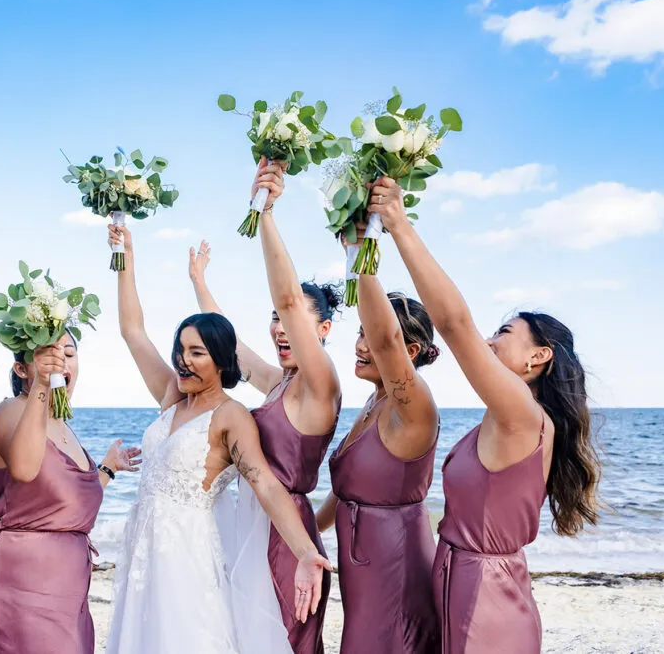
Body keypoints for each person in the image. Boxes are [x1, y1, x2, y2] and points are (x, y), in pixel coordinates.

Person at [366, 176, 602, 653]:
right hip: (464, 583)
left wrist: (398, 223)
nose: (491, 341)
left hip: (485, 597)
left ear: (539, 358)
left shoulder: (523, 414)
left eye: (504, 331)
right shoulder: (503, 417)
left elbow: (454, 325)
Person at [106, 222, 331, 654]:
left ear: (222, 360)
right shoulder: (172, 396)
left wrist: (305, 551)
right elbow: (133, 331)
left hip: (188, 555)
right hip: (143, 549)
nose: (183, 361)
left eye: (197, 352)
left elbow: (264, 483)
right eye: (181, 349)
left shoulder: (231, 416)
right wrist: (125, 257)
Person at [188, 159, 340, 654]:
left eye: (288, 320)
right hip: (252, 524)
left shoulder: (320, 386)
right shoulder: (281, 383)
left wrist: (266, 215)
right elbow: (232, 348)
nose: (279, 327)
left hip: (284, 535)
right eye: (272, 319)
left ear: (323, 331)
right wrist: (201, 286)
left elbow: (292, 301)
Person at [314, 219, 442, 653]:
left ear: (408, 353)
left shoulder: (414, 407)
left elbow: (387, 339)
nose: (360, 345)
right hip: (359, 567)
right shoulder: (372, 403)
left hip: (395, 563)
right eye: (359, 333)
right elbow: (347, 491)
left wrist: (358, 253)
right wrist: (306, 535)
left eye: (371, 336)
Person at [0, 331, 140, 654]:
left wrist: (106, 469)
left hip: (69, 595)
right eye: (47, 354)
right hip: (19, 587)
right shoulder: (10, 412)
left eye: (69, 353)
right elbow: (24, 469)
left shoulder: (64, 426)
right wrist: (42, 387)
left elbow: (66, 508)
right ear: (22, 369)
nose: (60, 360)